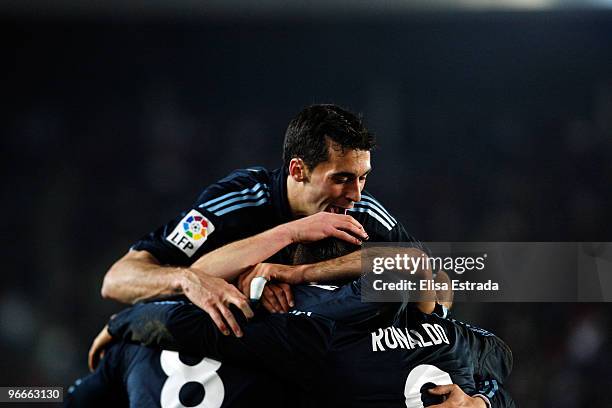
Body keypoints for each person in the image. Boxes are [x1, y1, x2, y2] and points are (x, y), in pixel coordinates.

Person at [101, 104, 424, 336]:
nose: (355, 194)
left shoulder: (364, 212)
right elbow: (118, 280)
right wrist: (192, 280)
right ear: (298, 170)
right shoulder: (238, 201)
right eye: (341, 178)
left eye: (363, 178)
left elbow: (436, 278)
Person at [72, 240, 513, 408]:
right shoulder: (455, 338)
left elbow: (206, 328)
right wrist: (484, 404)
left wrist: (125, 321)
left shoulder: (311, 340)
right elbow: (503, 363)